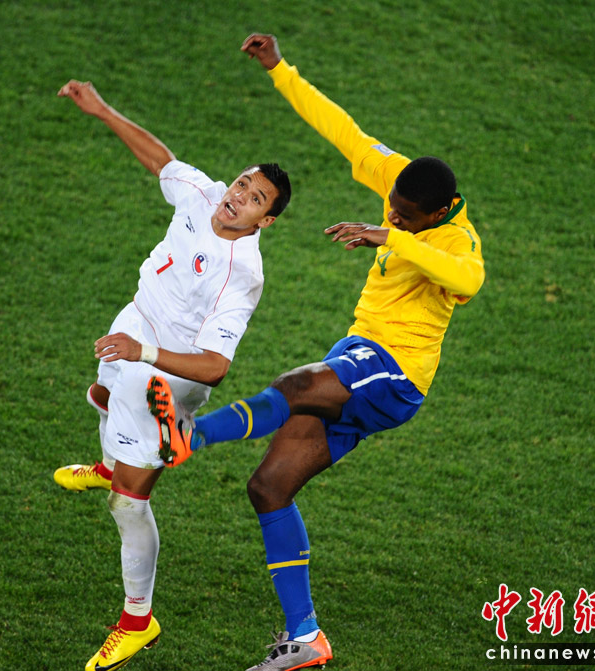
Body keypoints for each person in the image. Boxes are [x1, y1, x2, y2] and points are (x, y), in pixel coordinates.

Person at [145, 33, 485, 671]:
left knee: (297, 384)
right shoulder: (400, 183)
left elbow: (469, 279)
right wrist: (280, 69)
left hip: (395, 373)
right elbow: (345, 132)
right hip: (359, 354)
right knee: (269, 486)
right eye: (392, 207)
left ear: (439, 212)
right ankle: (306, 639)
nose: (394, 215)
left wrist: (391, 237)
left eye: (407, 216)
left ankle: (188, 437)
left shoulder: (458, 242)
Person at [53, 78, 291, 671]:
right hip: (137, 323)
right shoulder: (202, 193)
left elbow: (216, 365)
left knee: (129, 502)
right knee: (102, 393)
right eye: (242, 184)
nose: (239, 197)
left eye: (255, 199)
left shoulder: (241, 273)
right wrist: (101, 109)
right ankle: (115, 459)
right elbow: (161, 160)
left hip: (170, 369)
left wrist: (145, 353)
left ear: (265, 221)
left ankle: (138, 620)